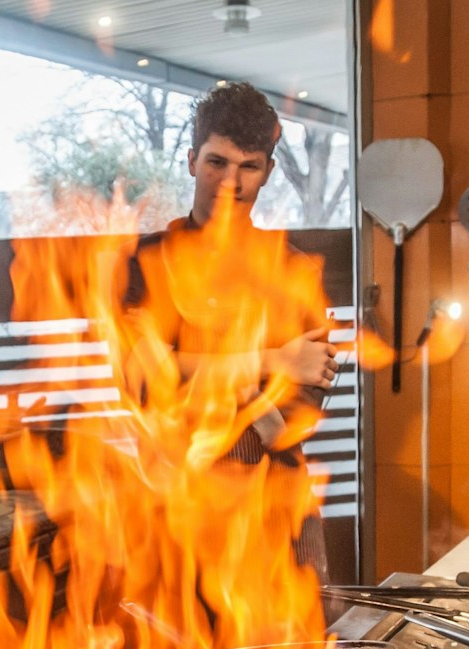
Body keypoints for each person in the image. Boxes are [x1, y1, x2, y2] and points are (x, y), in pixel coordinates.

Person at [125, 81, 338, 575]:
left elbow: (293, 420)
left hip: (274, 508)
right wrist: (271, 362)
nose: (230, 183)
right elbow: (140, 382)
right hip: (175, 507)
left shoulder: (295, 271)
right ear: (191, 160)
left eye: (248, 166)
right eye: (217, 162)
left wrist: (188, 370)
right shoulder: (143, 262)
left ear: (267, 172)